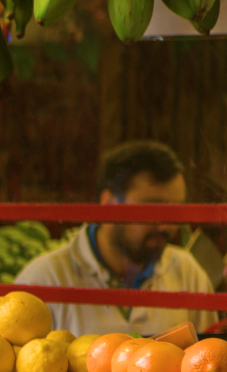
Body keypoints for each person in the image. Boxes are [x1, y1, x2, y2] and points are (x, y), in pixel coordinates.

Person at [12, 140, 215, 338]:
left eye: (176, 211)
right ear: (109, 204)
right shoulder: (43, 280)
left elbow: (211, 356)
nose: (166, 226)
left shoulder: (188, 273)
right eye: (152, 209)